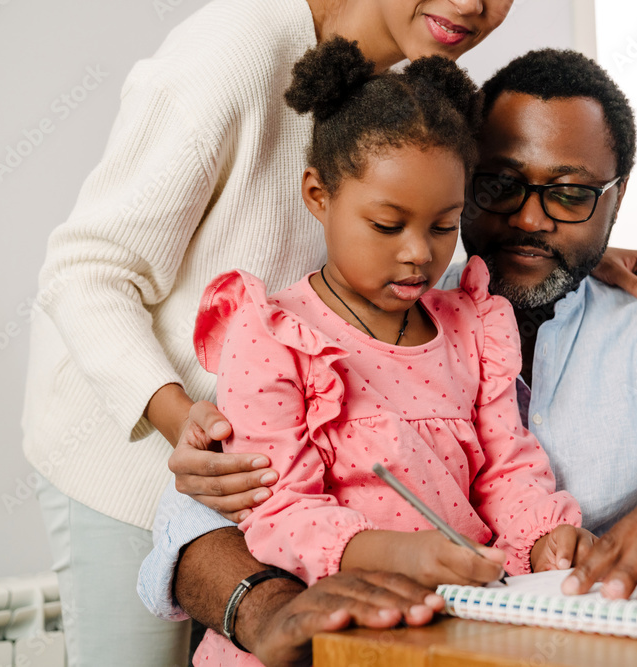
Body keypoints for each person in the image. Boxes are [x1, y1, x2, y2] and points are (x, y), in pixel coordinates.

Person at [23, 0, 637, 663]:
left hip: (274, 452)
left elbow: (401, 248)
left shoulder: (390, 92)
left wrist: (558, 247)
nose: (472, 5)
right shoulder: (231, 52)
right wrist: (179, 419)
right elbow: (86, 269)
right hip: (138, 440)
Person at [139, 47, 637, 666]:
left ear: (617, 196)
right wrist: (266, 607)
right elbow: (207, 511)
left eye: (570, 193)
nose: (530, 220)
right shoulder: (346, 306)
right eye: (500, 185)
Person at [191, 38, 590, 666]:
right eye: (386, 225)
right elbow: (277, 511)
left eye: (442, 226)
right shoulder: (273, 337)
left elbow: (506, 469)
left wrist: (545, 537)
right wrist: (400, 554)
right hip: (325, 636)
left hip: (454, 629)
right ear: (319, 195)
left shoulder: (472, 326)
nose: (418, 253)